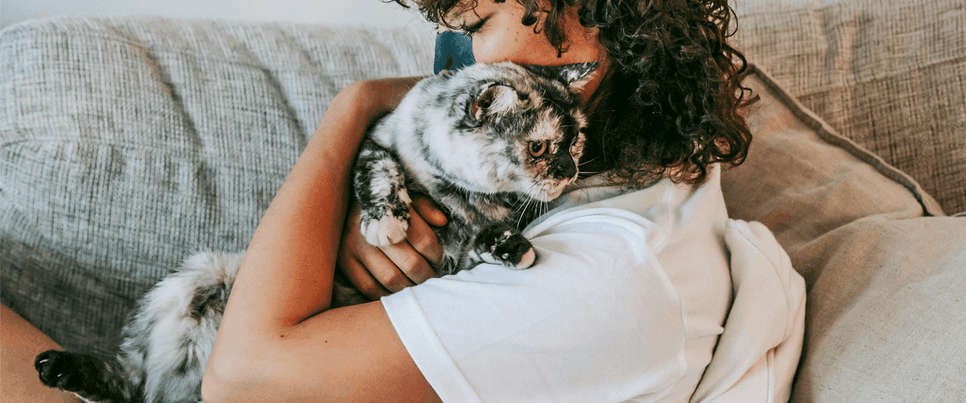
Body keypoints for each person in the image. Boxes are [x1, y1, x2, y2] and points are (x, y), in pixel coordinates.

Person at [3, 0, 759, 400]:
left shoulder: (601, 281)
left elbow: (240, 378)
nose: (459, 62)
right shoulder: (632, 165)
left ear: (588, 43)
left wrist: (354, 105)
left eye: (475, 26)